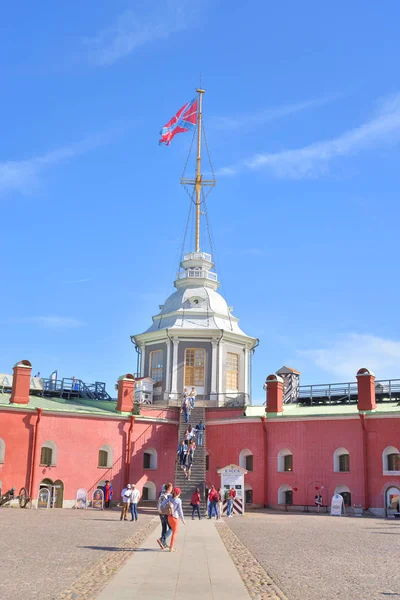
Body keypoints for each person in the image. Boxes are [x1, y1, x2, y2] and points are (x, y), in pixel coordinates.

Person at [168, 487, 186, 552]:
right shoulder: (178, 500)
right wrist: (183, 519)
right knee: (175, 532)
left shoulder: (169, 498)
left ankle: (171, 546)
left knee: (173, 531)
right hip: (175, 517)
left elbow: (163, 504)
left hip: (169, 517)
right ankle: (171, 547)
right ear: (178, 493)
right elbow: (180, 511)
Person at [157, 482, 173, 549]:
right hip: (166, 513)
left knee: (164, 528)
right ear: (169, 488)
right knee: (171, 528)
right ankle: (161, 539)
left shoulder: (161, 494)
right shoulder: (169, 496)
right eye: (171, 487)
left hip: (160, 513)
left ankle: (163, 544)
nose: (172, 488)